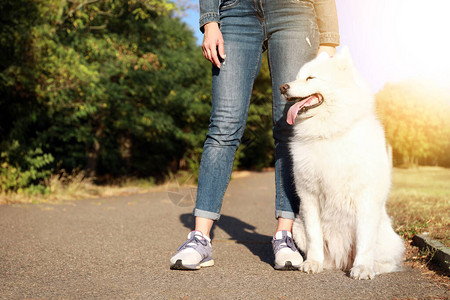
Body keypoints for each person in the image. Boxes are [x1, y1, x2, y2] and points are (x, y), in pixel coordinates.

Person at [170, 0, 340, 270]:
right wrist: (210, 21)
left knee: (289, 126)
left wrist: (329, 40)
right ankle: (200, 238)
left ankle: (285, 236)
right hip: (236, 11)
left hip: (294, 10)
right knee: (224, 124)